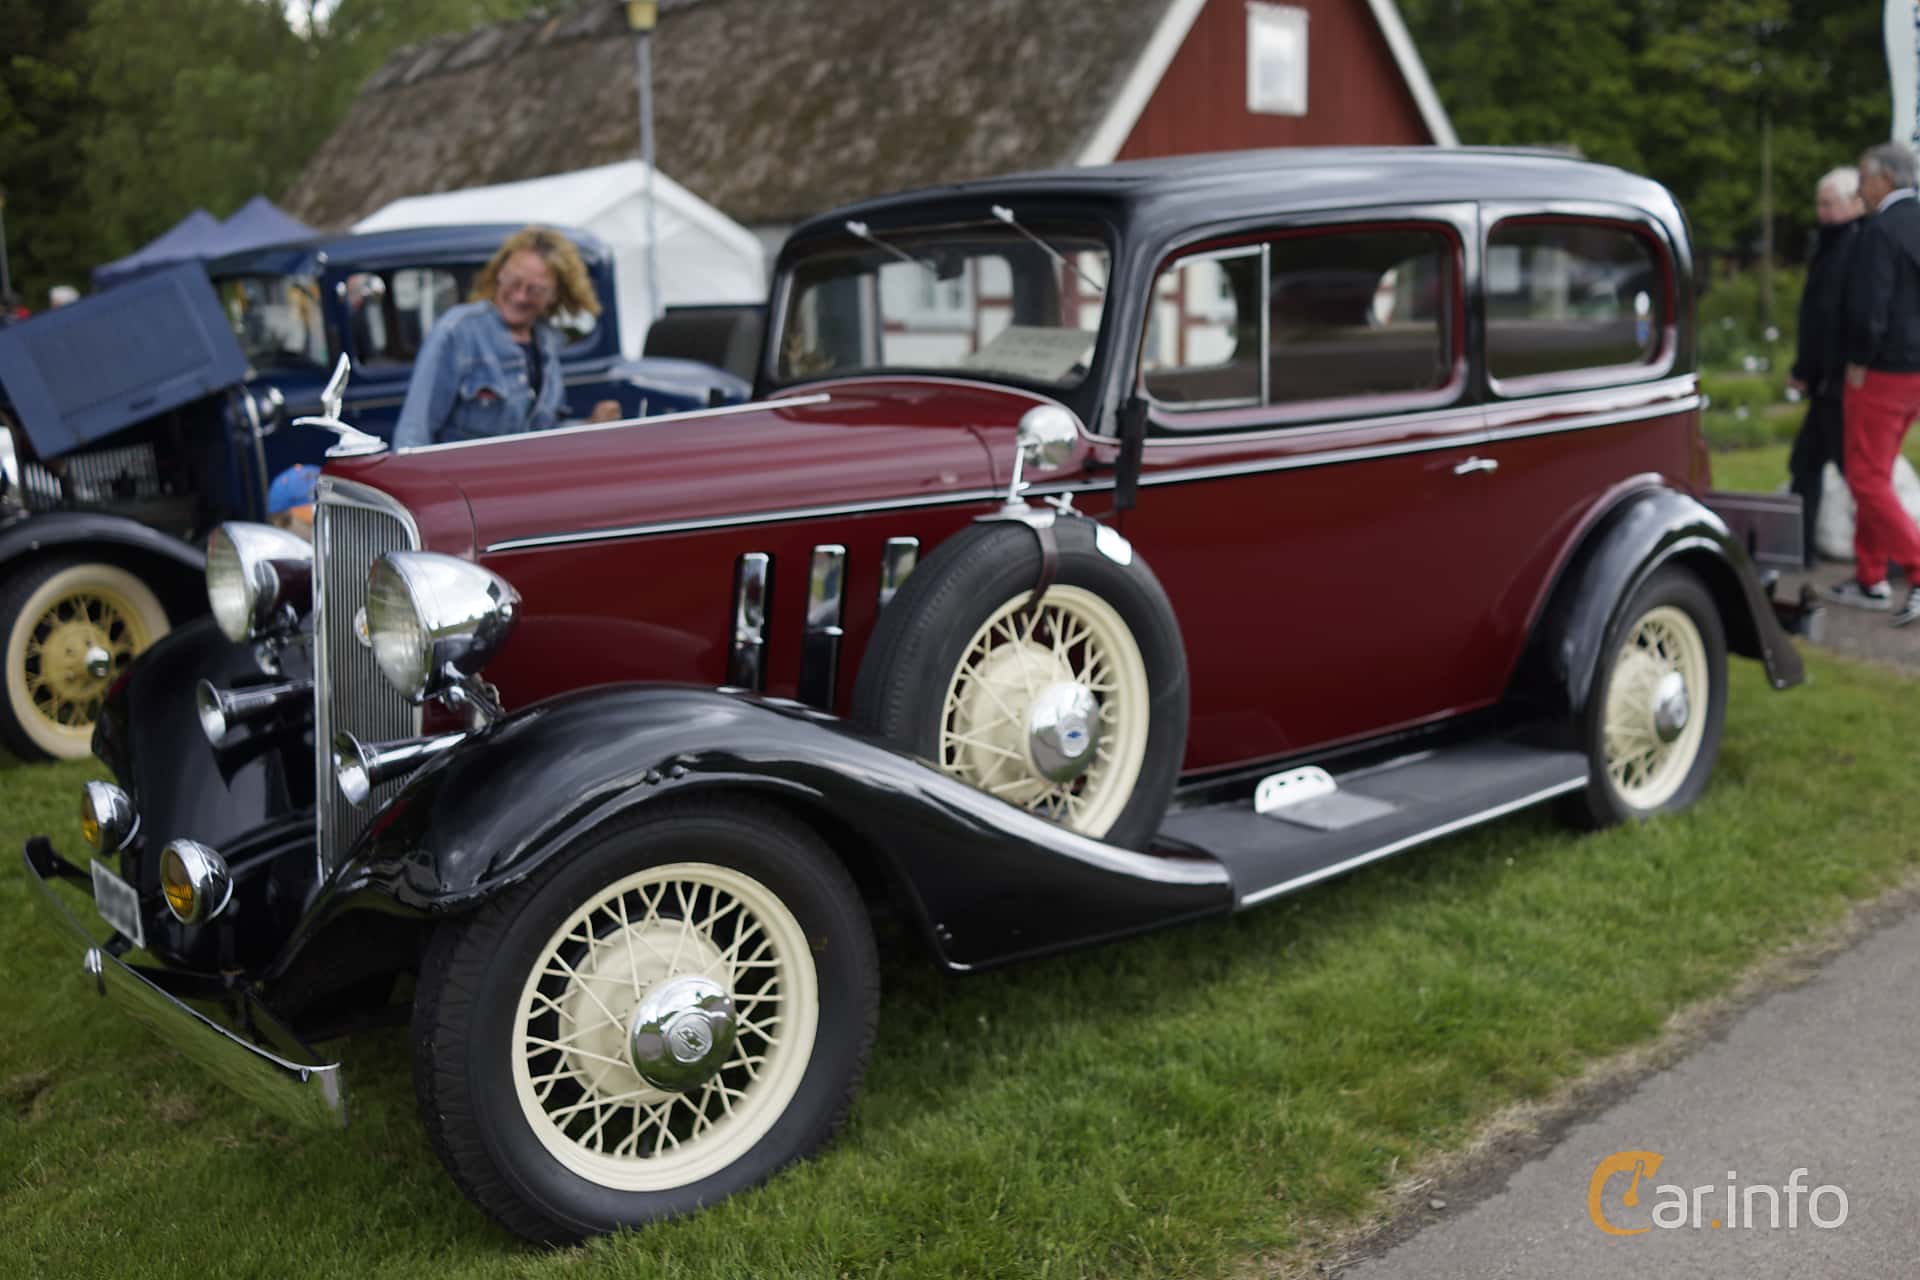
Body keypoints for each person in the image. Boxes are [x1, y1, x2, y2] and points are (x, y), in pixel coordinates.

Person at [392, 227, 620, 448]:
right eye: (513, 282)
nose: (520, 296)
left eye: (534, 290)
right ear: (499, 274)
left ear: (554, 295)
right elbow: (412, 437)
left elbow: (542, 434)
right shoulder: (457, 331)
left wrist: (589, 426)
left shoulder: (546, 341)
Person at [1832, 142, 1920, 626]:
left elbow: (1871, 307)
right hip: (1914, 371)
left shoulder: (1880, 230)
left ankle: (1915, 568)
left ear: (1885, 178)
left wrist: (1860, 359)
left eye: (1864, 177)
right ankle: (1870, 578)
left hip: (1883, 371)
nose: (1859, 187)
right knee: (1875, 475)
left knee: (1865, 477)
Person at [1785, 167, 1866, 566]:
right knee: (1806, 463)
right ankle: (1799, 549)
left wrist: (1816, 369)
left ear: (1854, 203)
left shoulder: (1855, 245)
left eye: (1829, 203)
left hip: (1838, 382)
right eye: (1819, 203)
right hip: (1824, 381)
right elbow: (1816, 315)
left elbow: (1833, 318)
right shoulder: (1831, 245)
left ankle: (1883, 554)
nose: (1822, 211)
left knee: (1856, 474)